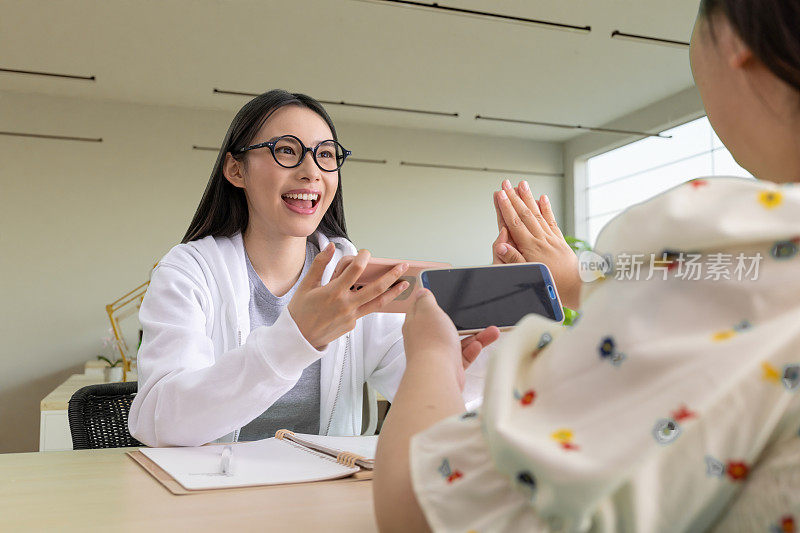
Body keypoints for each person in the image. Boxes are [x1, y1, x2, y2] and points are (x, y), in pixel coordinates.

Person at [374, 1, 800, 531]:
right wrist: (582, 283)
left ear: (738, 37)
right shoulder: (758, 256)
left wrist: (432, 355)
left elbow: (419, 508)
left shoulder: (727, 238)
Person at [128, 90, 499, 447]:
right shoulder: (188, 272)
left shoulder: (353, 277)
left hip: (324, 496)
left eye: (325, 155)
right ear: (235, 170)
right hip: (210, 498)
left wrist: (450, 363)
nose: (311, 171)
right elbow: (160, 422)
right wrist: (297, 338)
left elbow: (436, 398)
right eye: (286, 150)